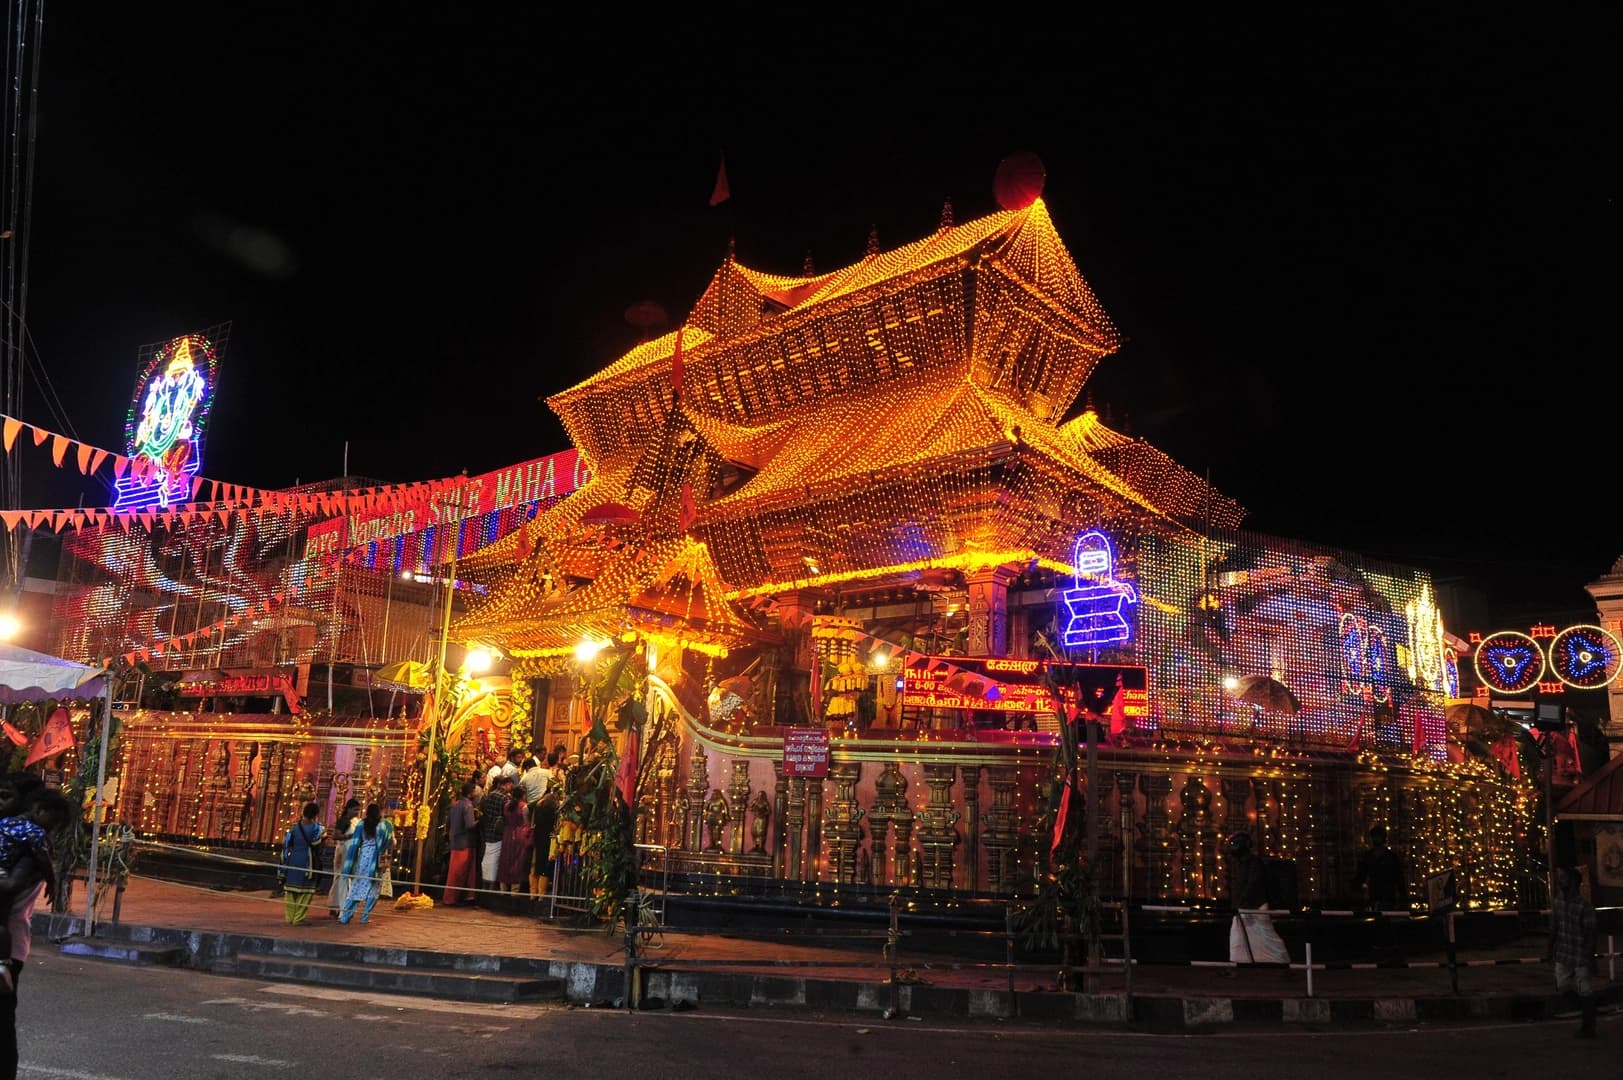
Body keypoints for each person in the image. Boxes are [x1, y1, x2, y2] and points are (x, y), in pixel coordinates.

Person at [0, 788, 70, 994]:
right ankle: (2, 966)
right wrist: (52, 880)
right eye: (53, 822)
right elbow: (42, 857)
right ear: (40, 810)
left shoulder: (6, 822)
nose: (51, 829)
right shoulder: (34, 833)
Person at [1, 774, 47, 1080]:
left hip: (5, 951)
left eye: (6, 795)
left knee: (1, 1028)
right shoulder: (12, 840)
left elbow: (5, 891)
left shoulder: (27, 849)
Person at [1225, 832, 1289, 969]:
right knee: (1238, 938)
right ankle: (1237, 966)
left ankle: (1283, 965)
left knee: (1267, 936)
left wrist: (1242, 901)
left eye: (1235, 844)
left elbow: (1253, 884)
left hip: (1255, 906)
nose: (1232, 848)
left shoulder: (1254, 863)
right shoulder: (1239, 864)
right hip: (1243, 907)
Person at [1550, 866, 1598, 1038]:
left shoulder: (1585, 906)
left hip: (1580, 953)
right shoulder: (1558, 902)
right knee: (1561, 985)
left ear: (1575, 882)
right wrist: (1550, 947)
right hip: (1563, 952)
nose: (1561, 881)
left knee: (1584, 988)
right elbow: (1554, 926)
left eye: (1564, 878)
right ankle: (1587, 1007)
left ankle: (1588, 1025)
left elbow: (1591, 933)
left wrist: (1589, 957)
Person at [338, 803, 395, 925]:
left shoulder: (361, 824)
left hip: (363, 858)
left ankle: (345, 916)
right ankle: (364, 917)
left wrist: (350, 863)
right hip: (378, 860)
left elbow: (355, 843)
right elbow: (392, 842)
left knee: (357, 886)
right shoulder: (385, 826)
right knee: (373, 888)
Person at [279, 801, 326, 925]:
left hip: (293, 860)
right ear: (315, 814)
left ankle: (289, 918)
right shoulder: (317, 828)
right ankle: (299, 918)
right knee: (306, 892)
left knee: (290, 891)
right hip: (308, 861)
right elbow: (317, 843)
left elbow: (287, 845)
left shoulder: (294, 827)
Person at [1352, 825, 1406, 911]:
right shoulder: (1369, 856)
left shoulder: (1390, 857)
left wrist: (1402, 896)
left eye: (1378, 836)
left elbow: (1399, 877)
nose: (1376, 839)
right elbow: (1361, 875)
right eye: (1374, 836)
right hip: (1375, 894)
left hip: (1387, 895)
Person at [325, 798, 362, 919]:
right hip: (342, 851)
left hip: (351, 852)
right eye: (355, 810)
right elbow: (335, 835)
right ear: (349, 809)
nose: (357, 812)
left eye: (359, 810)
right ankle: (339, 906)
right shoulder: (344, 821)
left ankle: (340, 905)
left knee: (346, 879)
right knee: (340, 878)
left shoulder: (355, 821)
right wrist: (349, 836)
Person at [443, 781, 479, 905]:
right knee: (462, 871)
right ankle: (455, 898)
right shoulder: (468, 806)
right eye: (474, 791)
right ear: (470, 794)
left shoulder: (455, 804)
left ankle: (452, 897)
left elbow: (448, 822)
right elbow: (470, 825)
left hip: (455, 841)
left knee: (454, 871)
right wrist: (479, 821)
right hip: (466, 842)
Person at [478, 775, 512, 889]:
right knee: (495, 859)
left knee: (487, 857)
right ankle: (491, 886)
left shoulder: (489, 795)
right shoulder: (505, 798)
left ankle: (484, 884)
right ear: (504, 785)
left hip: (488, 829)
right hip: (498, 832)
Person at [497, 786, 532, 894]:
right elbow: (526, 822)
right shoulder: (524, 807)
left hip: (507, 834)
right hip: (519, 834)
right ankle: (514, 890)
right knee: (517, 861)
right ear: (523, 795)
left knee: (505, 860)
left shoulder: (506, 805)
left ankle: (503, 889)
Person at [530, 788, 559, 897]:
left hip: (538, 838)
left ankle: (533, 893)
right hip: (548, 840)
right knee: (545, 867)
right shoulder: (553, 811)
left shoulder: (538, 807)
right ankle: (541, 894)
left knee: (535, 866)